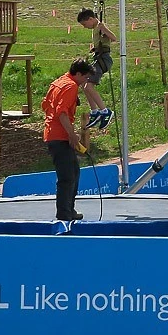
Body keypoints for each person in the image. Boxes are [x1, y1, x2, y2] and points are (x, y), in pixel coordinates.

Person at [42, 58, 95, 222]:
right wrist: (72, 135)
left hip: (54, 133)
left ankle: (69, 209)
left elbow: (45, 105)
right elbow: (62, 112)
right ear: (78, 74)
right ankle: (64, 214)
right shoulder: (70, 86)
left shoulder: (58, 82)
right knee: (67, 177)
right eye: (85, 77)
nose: (86, 81)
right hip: (59, 136)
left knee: (74, 173)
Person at [76, 8, 116, 130]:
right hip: (98, 58)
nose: (84, 27)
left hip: (103, 59)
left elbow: (113, 37)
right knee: (83, 84)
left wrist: (104, 31)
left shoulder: (100, 26)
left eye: (84, 24)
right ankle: (95, 111)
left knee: (89, 86)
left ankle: (105, 111)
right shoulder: (95, 28)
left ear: (91, 19)